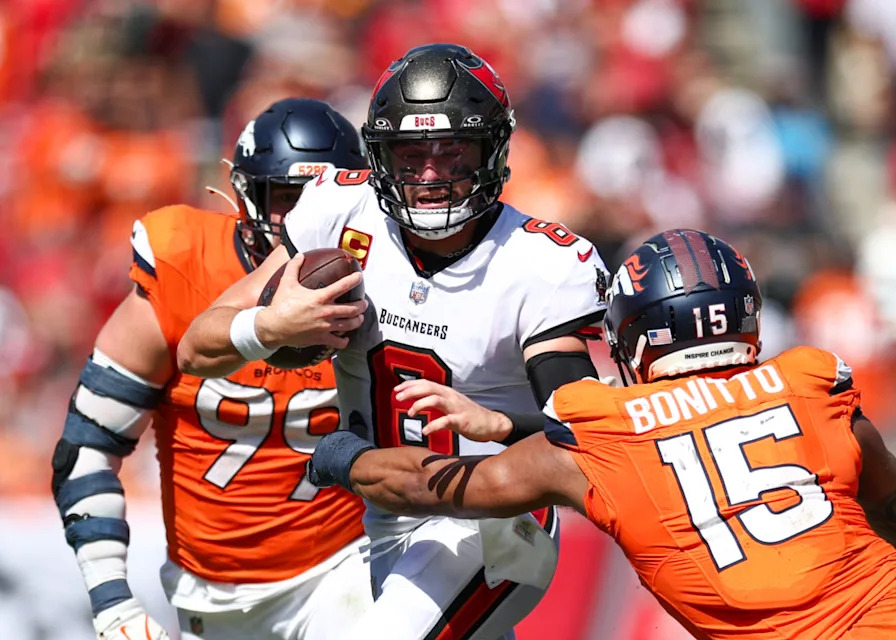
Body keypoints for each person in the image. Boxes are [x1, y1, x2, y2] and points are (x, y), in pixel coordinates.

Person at [311, 228, 896, 640]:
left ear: (633, 334)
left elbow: (428, 487)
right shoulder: (810, 381)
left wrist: (343, 456)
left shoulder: (603, 432)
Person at [177, 43, 610, 639]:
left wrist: (502, 426)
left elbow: (590, 437)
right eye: (410, 155)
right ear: (381, 156)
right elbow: (196, 348)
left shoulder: (539, 265)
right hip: (386, 520)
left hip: (494, 518)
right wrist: (271, 327)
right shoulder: (341, 211)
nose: (429, 175)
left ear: (493, 150)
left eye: (451, 151)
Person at [52, 98, 373, 640]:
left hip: (346, 566)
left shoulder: (383, 276)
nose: (304, 221)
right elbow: (85, 450)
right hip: (211, 594)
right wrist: (112, 605)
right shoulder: (185, 264)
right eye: (287, 199)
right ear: (247, 196)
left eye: (324, 199)